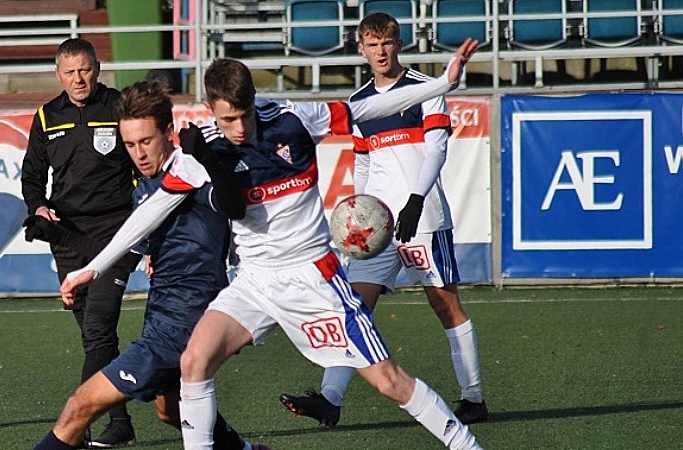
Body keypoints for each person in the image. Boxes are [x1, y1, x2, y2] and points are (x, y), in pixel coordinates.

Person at [62, 37, 482, 450]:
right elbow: (151, 211)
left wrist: (443, 83)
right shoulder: (202, 147)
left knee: (389, 381)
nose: (240, 128)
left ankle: (464, 444)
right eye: (228, 120)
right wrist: (93, 268)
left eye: (244, 115)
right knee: (194, 361)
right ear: (211, 110)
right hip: (255, 281)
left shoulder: (293, 119)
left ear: (254, 99)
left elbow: (363, 109)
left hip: (314, 276)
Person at [30, 80, 268, 450]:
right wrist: (60, 237)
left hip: (185, 320)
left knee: (79, 407)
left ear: (169, 132)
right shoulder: (144, 187)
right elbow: (124, 244)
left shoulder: (193, 174)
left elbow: (230, 203)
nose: (138, 153)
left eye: (146, 141)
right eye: (129, 144)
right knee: (170, 410)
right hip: (162, 316)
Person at [279, 12, 488, 428]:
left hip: (422, 217)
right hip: (377, 227)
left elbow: (437, 150)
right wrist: (359, 208)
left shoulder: (425, 89)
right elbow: (363, 163)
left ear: (399, 43)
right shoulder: (361, 104)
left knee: (444, 304)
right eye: (371, 44)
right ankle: (330, 398)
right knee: (353, 307)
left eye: (387, 42)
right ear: (361, 49)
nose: (380, 51)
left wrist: (414, 200)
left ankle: (473, 398)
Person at [21, 37, 140, 447]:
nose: (78, 79)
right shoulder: (46, 115)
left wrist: (151, 235)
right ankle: (120, 421)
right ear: (58, 75)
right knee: (96, 335)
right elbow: (32, 177)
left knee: (97, 327)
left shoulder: (121, 106)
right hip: (68, 237)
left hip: (116, 233)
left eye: (84, 69)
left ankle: (77, 427)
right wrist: (38, 208)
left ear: (97, 68)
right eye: (69, 72)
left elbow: (145, 168)